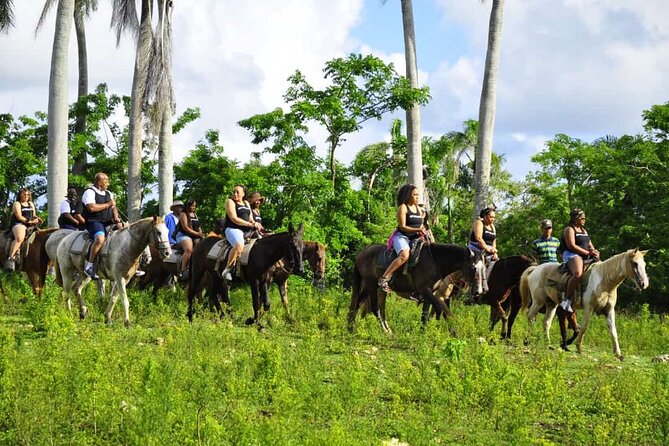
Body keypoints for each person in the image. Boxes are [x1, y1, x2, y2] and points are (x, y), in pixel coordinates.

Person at [378, 184, 427, 292]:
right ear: (408, 195)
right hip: (402, 236)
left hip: (416, 238)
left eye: (418, 195)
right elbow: (403, 227)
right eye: (414, 195)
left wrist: (422, 229)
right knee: (404, 255)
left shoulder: (419, 209)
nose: (417, 197)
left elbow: (420, 224)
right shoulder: (403, 208)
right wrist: (418, 230)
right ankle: (384, 278)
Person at [82, 172, 122, 279]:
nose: (108, 184)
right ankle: (89, 266)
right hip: (94, 221)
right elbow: (92, 208)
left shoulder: (108, 193)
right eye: (106, 181)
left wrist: (116, 218)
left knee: (126, 233)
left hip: (108, 221)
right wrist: (108, 204)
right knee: (100, 239)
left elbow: (114, 207)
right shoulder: (89, 192)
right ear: (99, 182)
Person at [560, 208, 599, 313]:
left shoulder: (584, 230)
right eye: (582, 218)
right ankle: (566, 300)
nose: (584, 220)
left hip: (585, 255)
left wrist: (594, 252)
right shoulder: (569, 229)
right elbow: (571, 245)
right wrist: (587, 253)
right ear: (575, 218)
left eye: (584, 218)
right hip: (572, 254)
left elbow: (590, 245)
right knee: (578, 274)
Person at [221, 185, 260, 281]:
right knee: (239, 245)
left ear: (243, 194)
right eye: (234, 191)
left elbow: (250, 218)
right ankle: (227, 269)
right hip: (233, 229)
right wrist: (249, 224)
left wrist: (255, 224)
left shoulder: (246, 203)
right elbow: (234, 219)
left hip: (247, 230)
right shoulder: (230, 202)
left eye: (238, 192)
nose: (235, 194)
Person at [4, 188, 41, 271]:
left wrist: (37, 219)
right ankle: (11, 258)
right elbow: (19, 217)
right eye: (24, 194)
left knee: (42, 237)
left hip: (31, 225)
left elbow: (34, 214)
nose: (26, 196)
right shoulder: (17, 204)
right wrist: (30, 221)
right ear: (20, 195)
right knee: (20, 238)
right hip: (19, 224)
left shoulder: (31, 203)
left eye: (28, 194)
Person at [175, 200, 204, 279]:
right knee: (189, 249)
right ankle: (183, 270)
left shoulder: (195, 215)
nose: (193, 207)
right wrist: (197, 234)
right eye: (191, 206)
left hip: (194, 235)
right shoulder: (183, 214)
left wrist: (201, 234)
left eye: (194, 206)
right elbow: (185, 228)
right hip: (183, 235)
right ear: (187, 206)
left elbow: (199, 226)